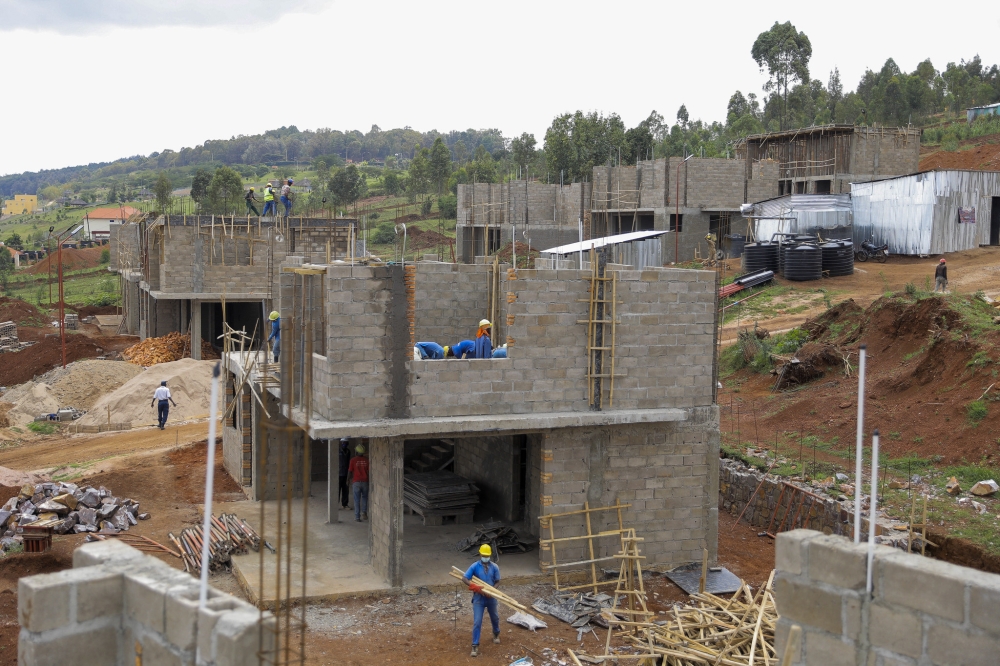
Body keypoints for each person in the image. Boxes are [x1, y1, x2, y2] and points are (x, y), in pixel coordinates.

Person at [462, 544, 501, 657]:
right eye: (483, 555)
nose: (485, 557)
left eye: (487, 555)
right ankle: (475, 645)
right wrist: (474, 587)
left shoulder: (494, 567)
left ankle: (496, 633)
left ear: (490, 555)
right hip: (479, 598)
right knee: (477, 621)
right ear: (480, 554)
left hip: (490, 597)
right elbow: (464, 578)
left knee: (495, 617)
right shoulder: (474, 566)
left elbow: (498, 581)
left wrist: (492, 590)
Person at [348, 443, 369, 522]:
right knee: (364, 498)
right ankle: (364, 512)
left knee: (356, 500)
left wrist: (348, 480)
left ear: (356, 452)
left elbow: (350, 471)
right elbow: (369, 471)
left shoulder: (353, 460)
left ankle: (357, 517)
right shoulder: (367, 460)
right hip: (365, 482)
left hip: (356, 482)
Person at [337, 438, 352, 510]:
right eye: (343, 442)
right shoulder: (337, 451)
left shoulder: (348, 451)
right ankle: (335, 504)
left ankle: (345, 504)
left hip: (346, 473)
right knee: (337, 490)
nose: (344, 444)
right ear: (341, 442)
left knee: (345, 489)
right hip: (338, 473)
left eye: (346, 443)